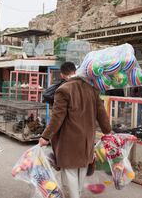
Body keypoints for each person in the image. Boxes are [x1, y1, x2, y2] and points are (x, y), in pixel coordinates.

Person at [38, 62, 112, 198]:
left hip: (69, 141)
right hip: (87, 141)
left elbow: (57, 117)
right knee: (81, 172)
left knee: (70, 174)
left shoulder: (63, 90)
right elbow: (102, 114)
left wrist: (46, 136)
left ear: (62, 74)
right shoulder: (92, 88)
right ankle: (77, 194)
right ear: (75, 71)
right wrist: (108, 132)